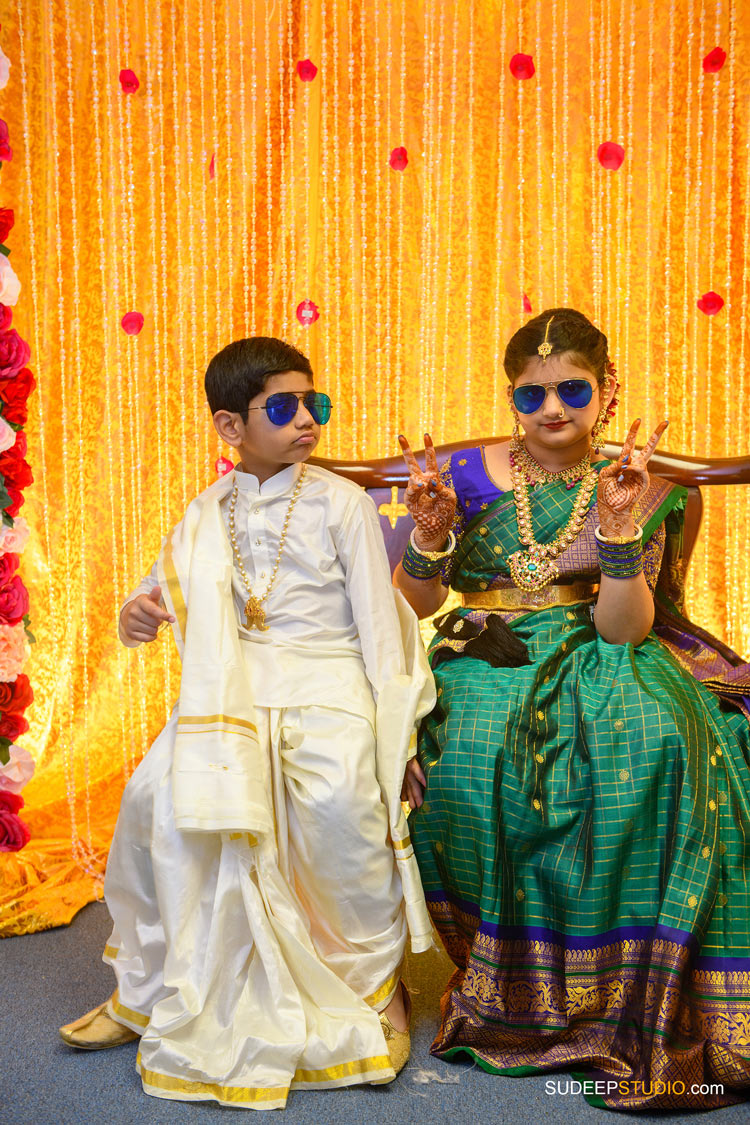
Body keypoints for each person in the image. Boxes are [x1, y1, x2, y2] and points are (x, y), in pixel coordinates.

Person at [59, 336, 435, 1109]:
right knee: (152, 797)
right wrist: (138, 613)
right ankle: (153, 986)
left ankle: (373, 990)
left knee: (338, 805)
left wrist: (396, 737)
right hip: (233, 694)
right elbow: (159, 597)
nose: (307, 420)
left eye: (315, 403)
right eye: (285, 406)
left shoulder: (342, 503)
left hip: (329, 682)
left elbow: (381, 626)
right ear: (230, 427)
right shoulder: (205, 513)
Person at [394, 308, 750, 1112]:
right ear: (512, 395)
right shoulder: (465, 472)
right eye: (532, 394)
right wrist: (429, 533)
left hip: (600, 644)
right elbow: (409, 601)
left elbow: (624, 627)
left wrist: (618, 528)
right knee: (473, 743)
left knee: (659, 736)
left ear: (606, 391)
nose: (553, 408)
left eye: (573, 389)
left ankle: (616, 991)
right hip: (484, 647)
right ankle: (512, 984)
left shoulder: (638, 482)